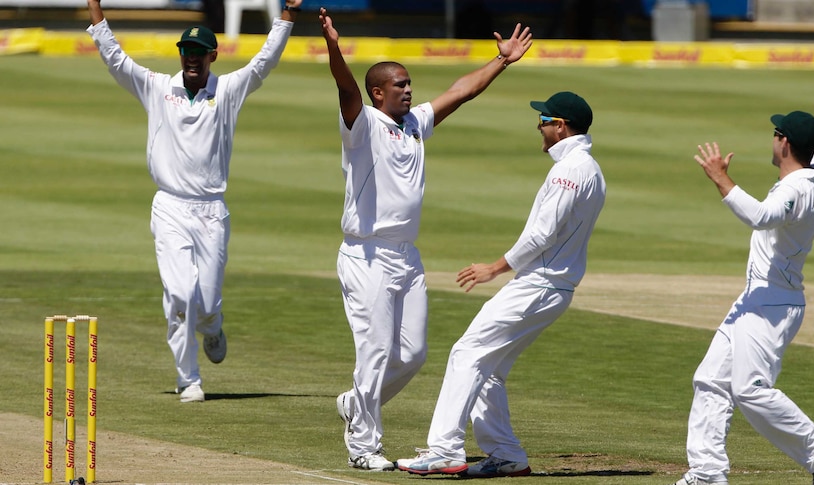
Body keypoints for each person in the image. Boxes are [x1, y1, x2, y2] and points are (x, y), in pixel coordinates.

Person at [318, 7, 533, 471]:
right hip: (366, 253)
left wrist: (503, 61)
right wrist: (334, 48)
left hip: (406, 255)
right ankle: (363, 446)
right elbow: (345, 87)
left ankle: (355, 404)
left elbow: (461, 92)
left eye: (410, 82)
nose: (409, 88)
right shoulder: (362, 125)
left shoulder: (414, 123)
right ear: (379, 92)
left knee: (413, 354)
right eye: (400, 84)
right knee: (374, 350)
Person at [86, 0, 304, 402]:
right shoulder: (156, 87)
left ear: (211, 56)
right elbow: (116, 60)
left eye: (199, 54)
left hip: (211, 211)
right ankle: (188, 378)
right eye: (186, 53)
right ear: (180, 55)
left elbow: (262, 64)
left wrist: (287, 16)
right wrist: (96, 12)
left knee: (205, 301)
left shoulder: (228, 89)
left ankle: (212, 324)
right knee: (180, 293)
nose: (191, 60)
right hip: (170, 205)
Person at [396, 91, 606, 477]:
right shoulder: (587, 167)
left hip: (539, 284)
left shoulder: (569, 170)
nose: (538, 127)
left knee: (466, 353)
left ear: (560, 126)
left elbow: (543, 234)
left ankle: (444, 450)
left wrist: (494, 268)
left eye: (543, 120)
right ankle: (507, 455)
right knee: (488, 369)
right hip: (552, 286)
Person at [672, 75, 814, 485]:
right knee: (710, 380)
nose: (772, 139)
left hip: (772, 304)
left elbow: (760, 216)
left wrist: (720, 177)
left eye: (776, 133)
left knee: (750, 389)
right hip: (756, 299)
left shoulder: (797, 190)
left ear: (784, 143)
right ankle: (706, 472)